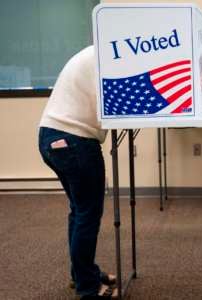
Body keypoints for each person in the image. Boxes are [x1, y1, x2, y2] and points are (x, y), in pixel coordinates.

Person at [38, 45, 116, 299]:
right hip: (75, 140)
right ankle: (88, 287)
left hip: (50, 136)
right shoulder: (111, 56)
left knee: (80, 210)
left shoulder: (96, 52)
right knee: (87, 214)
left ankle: (82, 274)